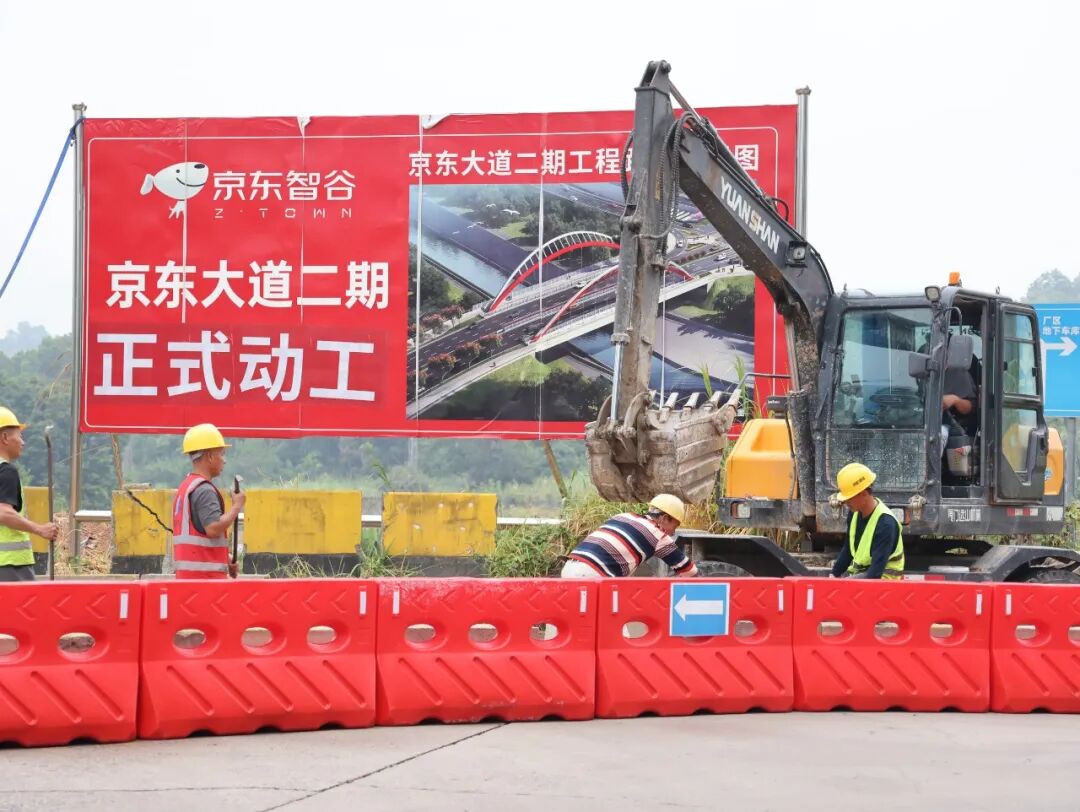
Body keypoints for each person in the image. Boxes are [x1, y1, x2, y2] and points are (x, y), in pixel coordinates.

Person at [561, 494, 699, 578]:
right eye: (674, 526)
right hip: (594, 576)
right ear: (664, 518)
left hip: (569, 568)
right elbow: (690, 572)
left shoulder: (623, 516)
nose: (673, 533)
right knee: (615, 624)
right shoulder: (658, 536)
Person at [172, 423, 245, 579]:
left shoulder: (186, 487)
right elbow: (213, 528)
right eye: (221, 454)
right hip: (204, 583)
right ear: (210, 456)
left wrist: (225, 560)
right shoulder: (205, 490)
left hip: (188, 580)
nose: (224, 460)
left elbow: (199, 534)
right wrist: (236, 507)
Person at [0, 408, 58, 582]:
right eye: (19, 436)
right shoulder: (5, 471)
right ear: (4, 438)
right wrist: (39, 529)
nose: (22, 442)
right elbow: (3, 512)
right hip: (9, 566)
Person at [830, 463, 904, 580]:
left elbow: (875, 574)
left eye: (849, 497)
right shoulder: (854, 513)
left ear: (864, 493)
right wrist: (833, 575)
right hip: (865, 575)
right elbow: (848, 549)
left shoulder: (885, 524)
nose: (845, 502)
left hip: (884, 582)